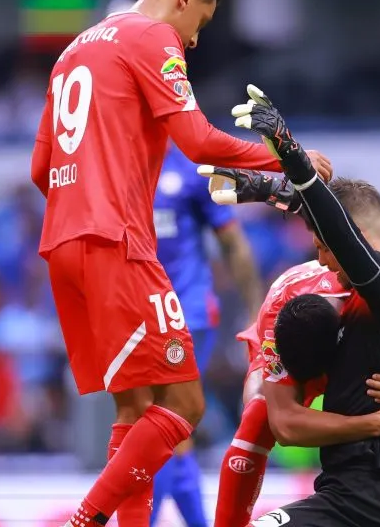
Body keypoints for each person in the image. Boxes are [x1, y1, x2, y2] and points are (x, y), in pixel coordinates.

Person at [29, 0, 333, 526]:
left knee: (135, 407)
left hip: (63, 244)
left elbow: (40, 168)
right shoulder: (153, 37)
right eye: (201, 25)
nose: (192, 43)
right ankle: (87, 518)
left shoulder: (73, 51)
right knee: (185, 406)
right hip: (117, 241)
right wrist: (287, 156)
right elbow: (196, 140)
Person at [229, 85, 380, 526]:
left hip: (368, 499)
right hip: (362, 493)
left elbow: (345, 231)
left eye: (325, 248)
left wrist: (290, 154)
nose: (321, 260)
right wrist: (272, 192)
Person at [150, 144, 264, 527]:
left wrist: (256, 311)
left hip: (186, 315)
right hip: (140, 316)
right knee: (174, 434)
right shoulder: (121, 161)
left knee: (159, 424)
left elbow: (233, 242)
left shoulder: (189, 170)